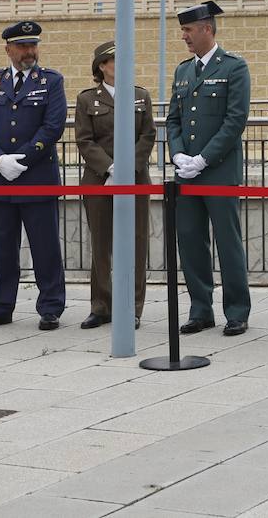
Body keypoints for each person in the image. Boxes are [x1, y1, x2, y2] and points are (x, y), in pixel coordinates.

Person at [0, 20, 68, 331]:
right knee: (3, 246)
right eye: (23, 46)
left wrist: (22, 159)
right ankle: (0, 306)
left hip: (36, 176)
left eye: (33, 45)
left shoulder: (51, 80)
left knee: (45, 246)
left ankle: (50, 306)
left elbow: (53, 126)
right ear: (8, 49)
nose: (29, 51)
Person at [167, 1, 253, 336]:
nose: (184, 36)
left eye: (189, 30)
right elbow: (174, 119)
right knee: (190, 241)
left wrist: (203, 158)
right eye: (183, 31)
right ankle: (200, 309)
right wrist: (178, 156)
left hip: (218, 171)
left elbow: (235, 121)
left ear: (207, 28)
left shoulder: (234, 67)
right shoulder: (182, 71)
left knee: (228, 242)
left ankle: (237, 311)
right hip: (186, 172)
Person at [75, 40, 155, 330]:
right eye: (114, 61)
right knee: (101, 244)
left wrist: (126, 170)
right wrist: (109, 168)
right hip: (98, 179)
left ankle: (132, 306)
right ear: (102, 67)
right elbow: (84, 140)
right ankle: (102, 306)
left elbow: (147, 136)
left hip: (135, 178)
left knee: (136, 243)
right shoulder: (87, 100)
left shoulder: (139, 96)